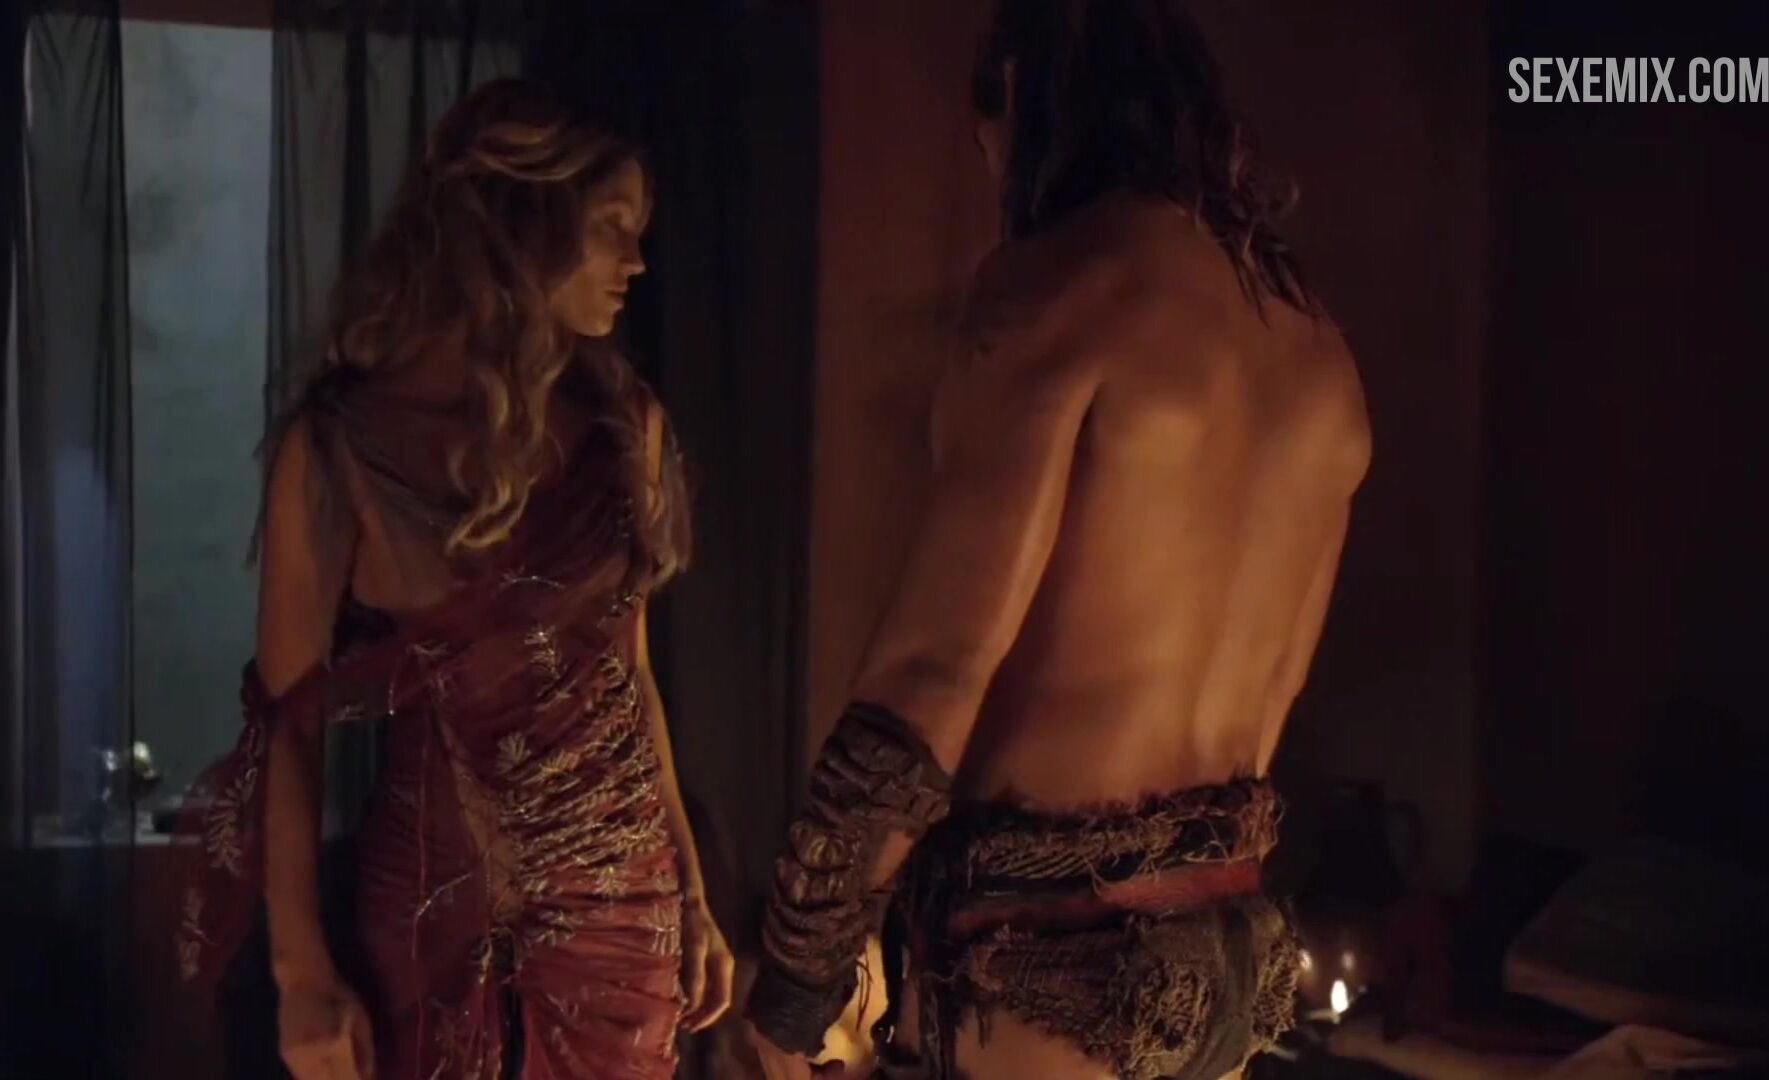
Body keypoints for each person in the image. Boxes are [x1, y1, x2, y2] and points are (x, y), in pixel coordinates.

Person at [746, 2, 1371, 1078]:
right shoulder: (1316, 349)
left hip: (1051, 969)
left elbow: (932, 671)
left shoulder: (1059, 289)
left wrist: (798, 979)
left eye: (987, 141)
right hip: (1222, 964)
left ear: (1024, 101)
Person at [174, 79, 734, 1079]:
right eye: (612, 225)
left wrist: (691, 892)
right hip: (435, 921)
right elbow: (287, 725)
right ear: (524, 216)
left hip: (624, 926)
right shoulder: (340, 448)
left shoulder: (625, 427)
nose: (637, 262)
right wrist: (300, 973)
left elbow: (630, 678)